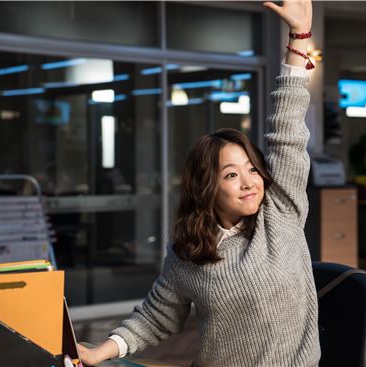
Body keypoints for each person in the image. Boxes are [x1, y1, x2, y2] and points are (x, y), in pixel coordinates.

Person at [77, 0, 320, 365]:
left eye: (252, 169)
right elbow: (156, 317)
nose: (250, 182)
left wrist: (298, 37)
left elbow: (286, 128)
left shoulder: (280, 212)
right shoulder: (188, 251)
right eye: (231, 175)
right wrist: (100, 352)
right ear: (207, 188)